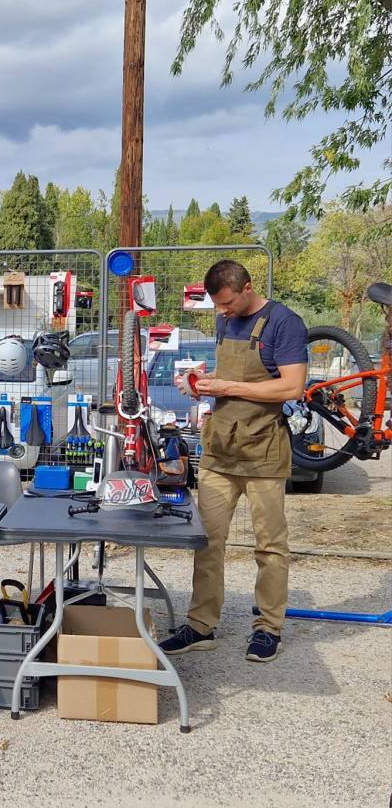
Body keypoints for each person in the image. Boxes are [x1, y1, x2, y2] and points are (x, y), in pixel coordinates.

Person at [160, 259, 308, 663]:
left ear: (247, 288)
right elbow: (229, 380)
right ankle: (201, 625)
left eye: (226, 304)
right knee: (206, 541)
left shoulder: (284, 323)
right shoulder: (227, 321)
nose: (221, 312)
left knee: (270, 546)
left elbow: (293, 385)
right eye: (217, 306)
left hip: (262, 450)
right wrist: (202, 384)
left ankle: (268, 628)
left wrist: (228, 385)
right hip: (220, 448)